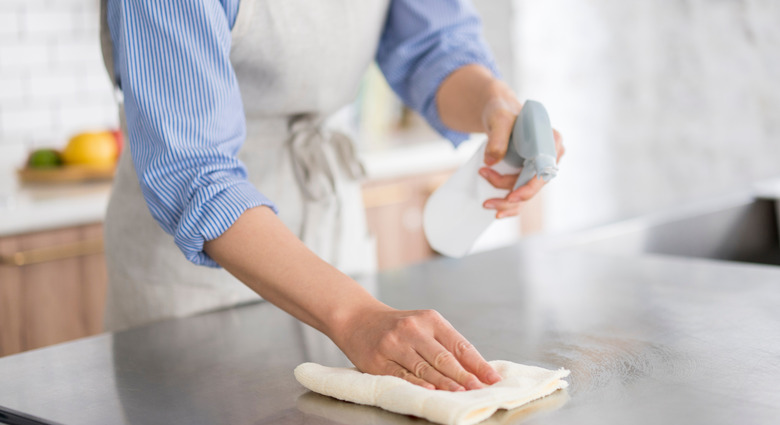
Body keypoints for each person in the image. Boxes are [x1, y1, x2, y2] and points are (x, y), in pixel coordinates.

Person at [99, 0, 564, 392]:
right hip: (197, 272)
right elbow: (192, 170)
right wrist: (357, 315)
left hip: (333, 229)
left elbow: (431, 48)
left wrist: (492, 101)